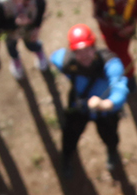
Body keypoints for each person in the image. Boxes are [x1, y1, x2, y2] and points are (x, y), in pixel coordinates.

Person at [51, 24, 129, 179]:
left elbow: (119, 87)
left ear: (95, 47)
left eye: (88, 49)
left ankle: (112, 151)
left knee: (110, 135)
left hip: (106, 111)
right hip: (80, 107)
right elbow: (54, 57)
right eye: (79, 52)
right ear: (73, 52)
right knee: (70, 135)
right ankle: (66, 157)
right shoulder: (66, 61)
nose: (84, 55)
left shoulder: (109, 62)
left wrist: (105, 104)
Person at [0, 0, 50, 81]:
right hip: (11, 32)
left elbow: (40, 11)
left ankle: (39, 53)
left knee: (32, 44)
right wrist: (15, 23)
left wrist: (36, 26)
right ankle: (16, 61)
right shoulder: (1, 2)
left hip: (29, 29)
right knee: (12, 48)